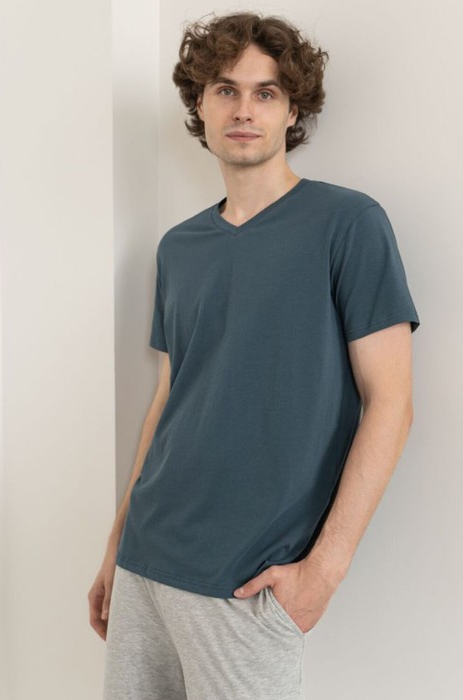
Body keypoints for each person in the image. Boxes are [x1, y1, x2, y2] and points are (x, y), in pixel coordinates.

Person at [89, 11, 420, 700]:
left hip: (246, 581)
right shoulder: (179, 247)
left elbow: (390, 402)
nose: (244, 110)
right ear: (200, 106)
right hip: (146, 561)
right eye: (225, 90)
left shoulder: (348, 224)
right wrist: (117, 544)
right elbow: (169, 400)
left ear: (292, 109)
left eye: (265, 92)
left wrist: (324, 571)